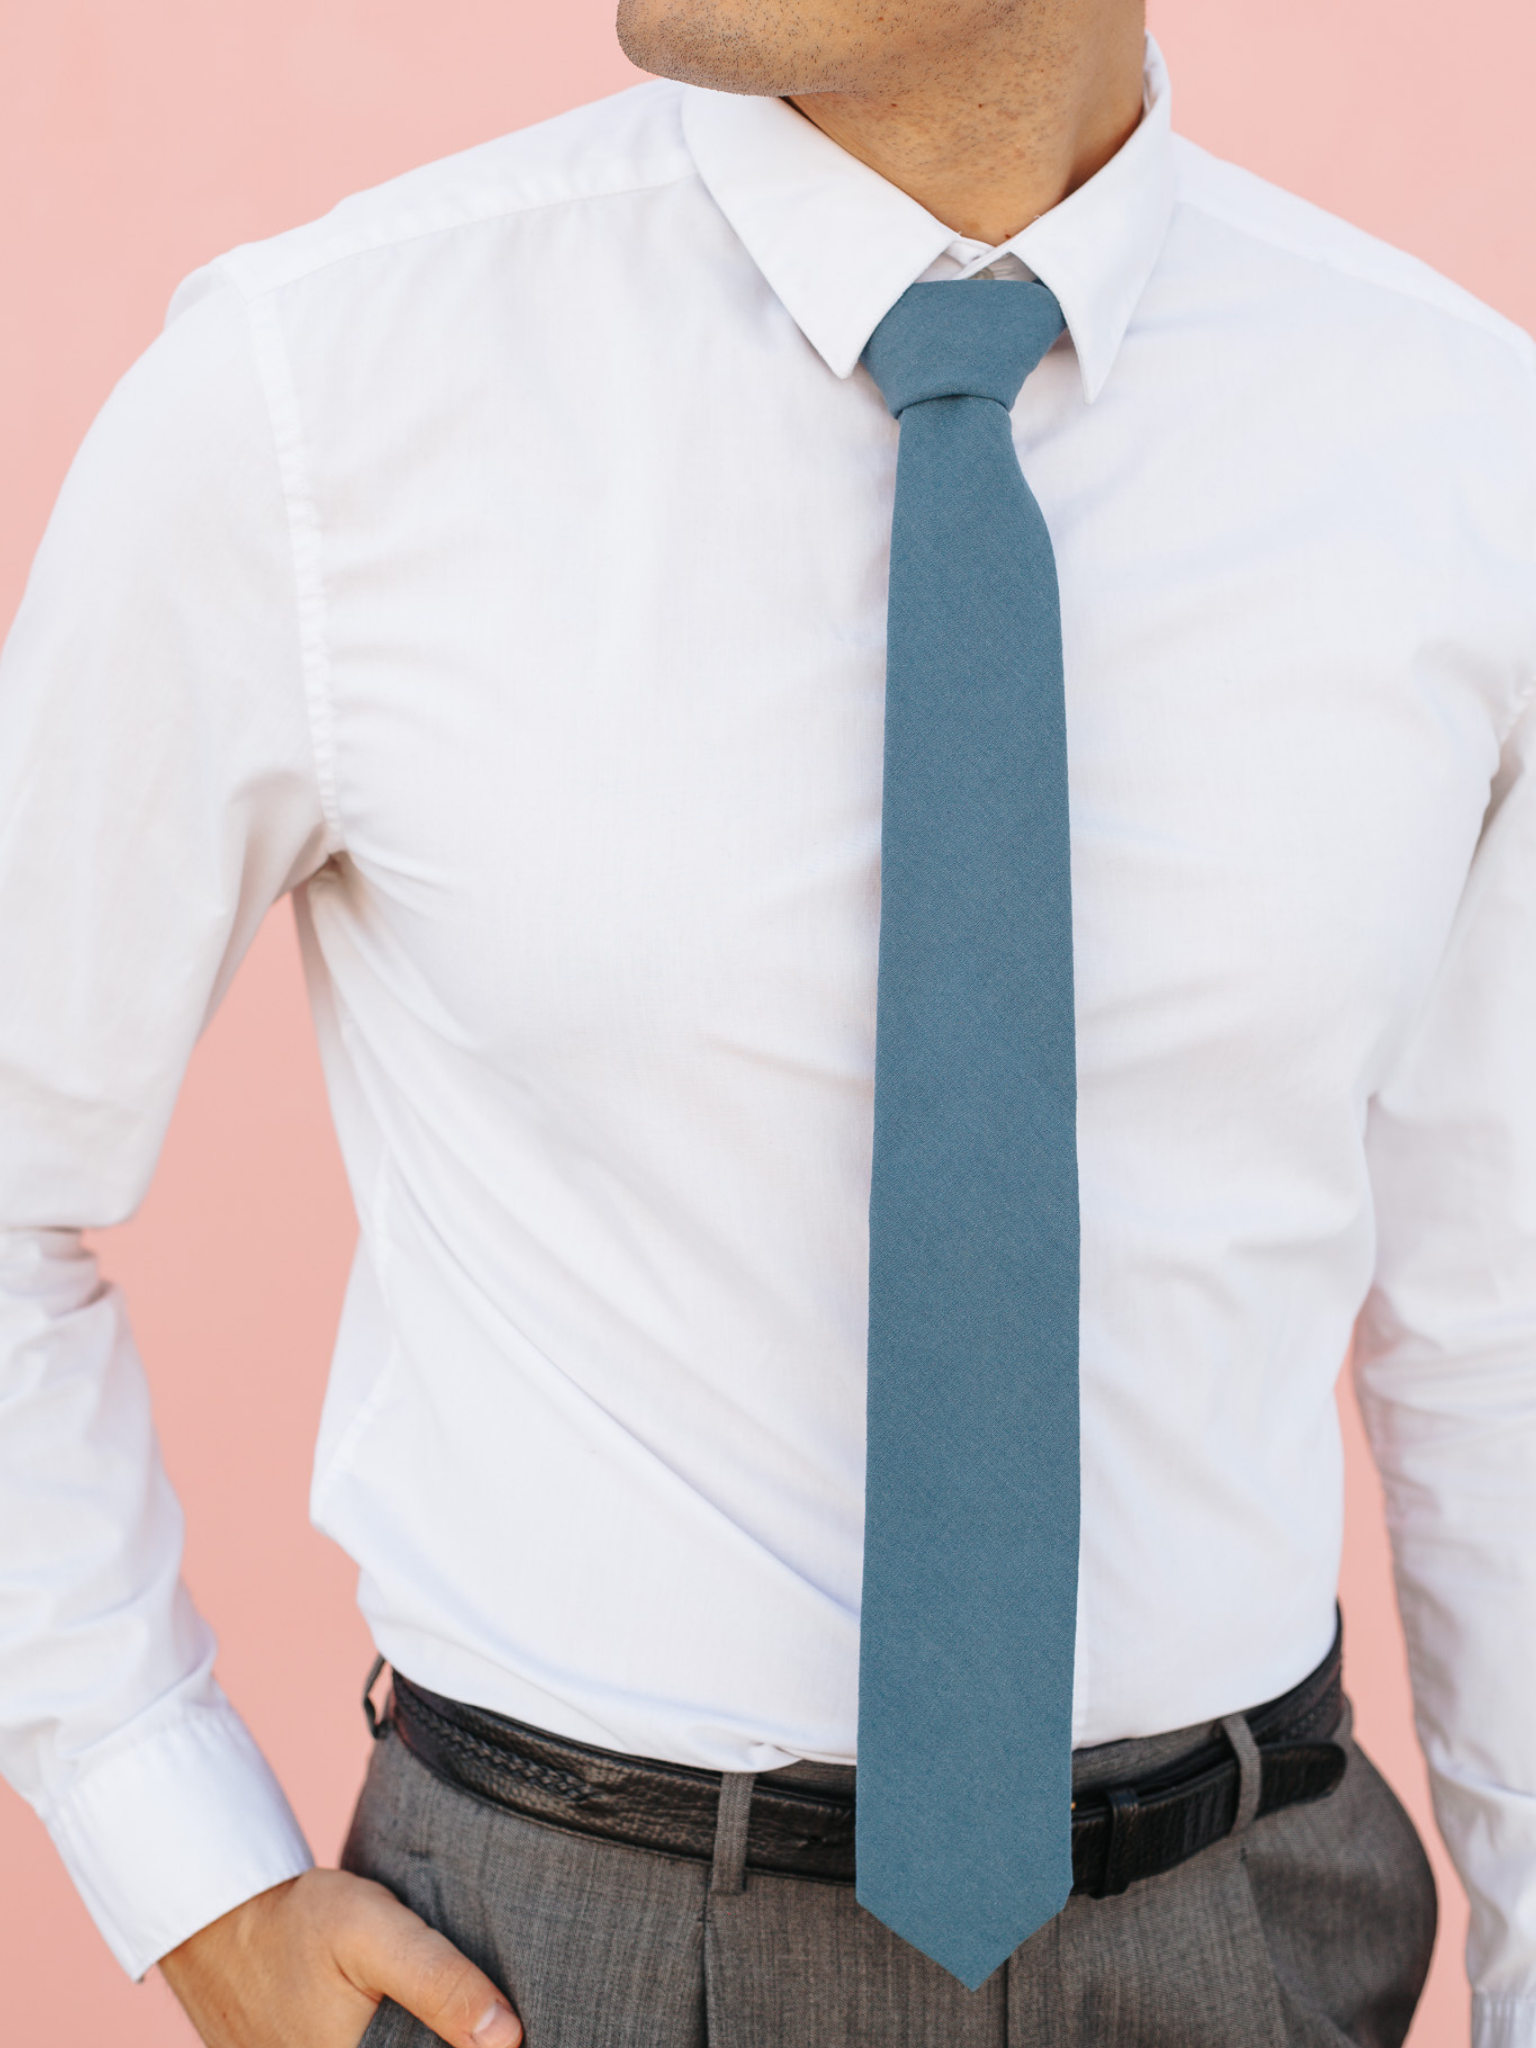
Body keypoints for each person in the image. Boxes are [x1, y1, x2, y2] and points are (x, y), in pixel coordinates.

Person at [1, 0, 1533, 2041]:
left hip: (1249, 1939)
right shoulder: (314, 399)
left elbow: (1497, 1330)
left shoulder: (1452, 446)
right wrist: (180, 1858)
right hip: (562, 1961)